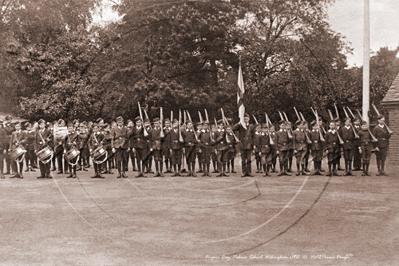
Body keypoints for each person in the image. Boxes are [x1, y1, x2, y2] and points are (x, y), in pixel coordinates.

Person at [232, 113, 255, 177]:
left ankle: (249, 172)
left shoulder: (251, 126)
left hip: (249, 145)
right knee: (243, 160)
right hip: (242, 145)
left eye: (247, 119)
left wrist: (254, 145)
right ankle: (244, 172)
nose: (246, 120)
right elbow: (233, 128)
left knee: (249, 159)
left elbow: (254, 136)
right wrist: (239, 122)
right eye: (244, 119)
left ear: (249, 119)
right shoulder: (240, 126)